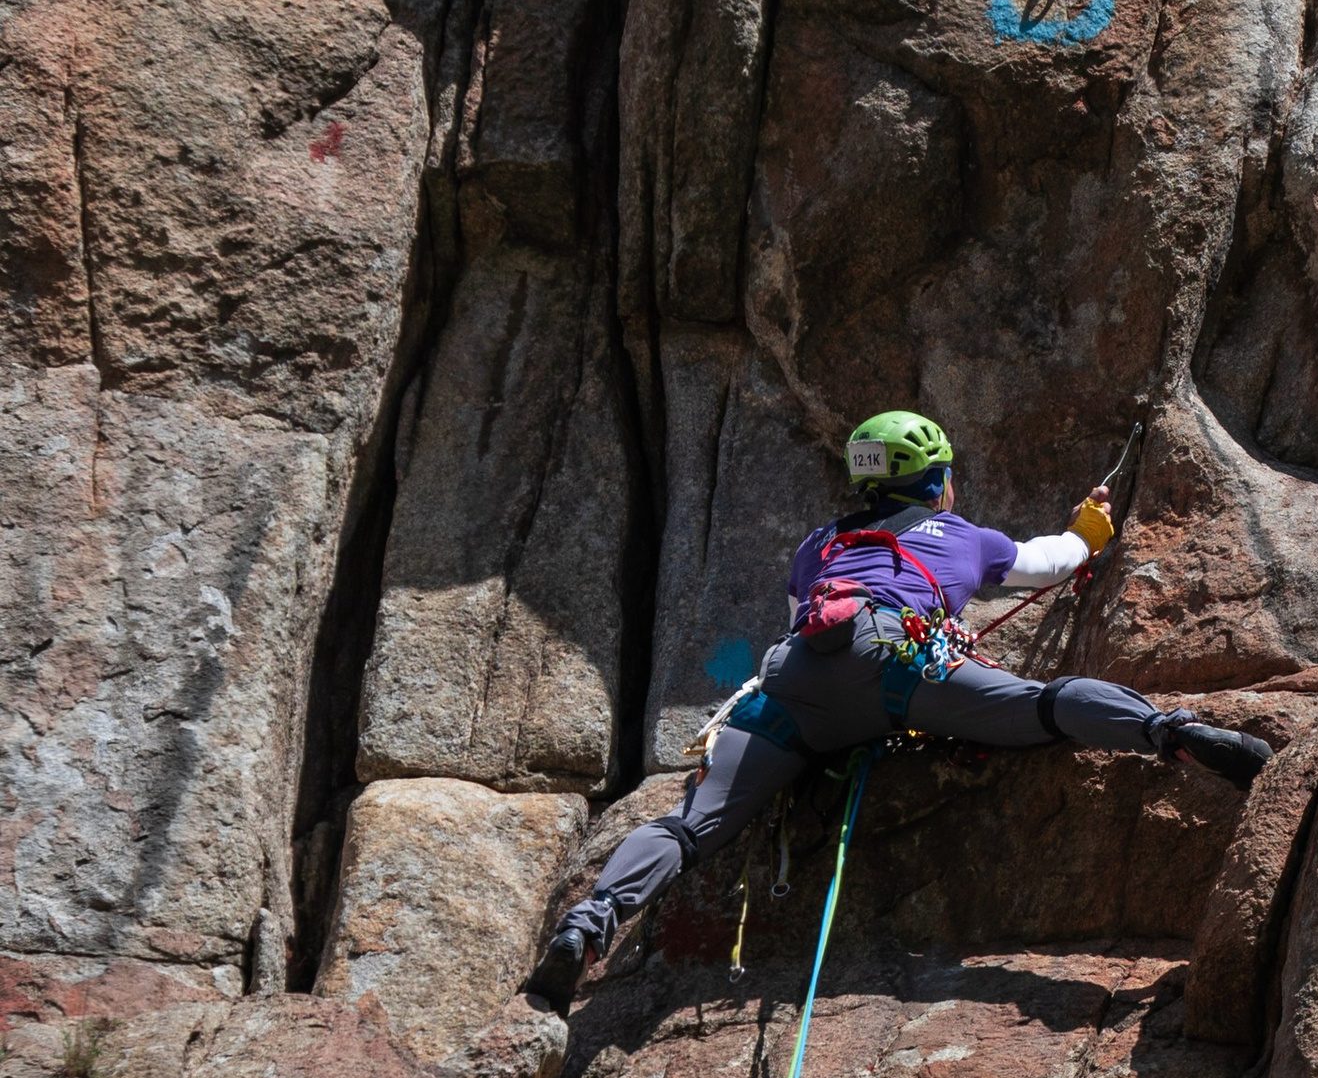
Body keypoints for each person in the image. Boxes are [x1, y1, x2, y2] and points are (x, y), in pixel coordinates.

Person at [523, 411, 1272, 1010]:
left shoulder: (818, 545)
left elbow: (803, 619)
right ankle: (1170, 732)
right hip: (902, 675)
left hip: (793, 697)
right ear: (936, 479)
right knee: (1044, 707)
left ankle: (588, 927)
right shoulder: (962, 537)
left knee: (688, 828)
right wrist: (1088, 532)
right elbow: (1054, 561)